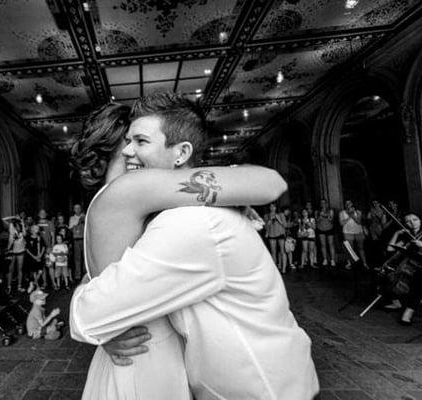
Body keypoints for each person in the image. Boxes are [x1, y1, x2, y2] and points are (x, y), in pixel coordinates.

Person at [70, 96, 317, 399]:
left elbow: (102, 279)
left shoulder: (119, 201)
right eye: (128, 141)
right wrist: (229, 194)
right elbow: (270, 182)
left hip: (146, 345)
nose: (131, 150)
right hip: (147, 348)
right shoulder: (130, 190)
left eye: (140, 140)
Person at [385, 213, 422, 325]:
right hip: (411, 266)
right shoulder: (408, 236)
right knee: (387, 275)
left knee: (419, 279)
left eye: (415, 219)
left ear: (420, 221)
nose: (412, 223)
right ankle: (397, 302)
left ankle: (408, 312)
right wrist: (397, 234)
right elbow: (390, 248)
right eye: (408, 221)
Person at [340, 200, 368, 268]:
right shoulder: (342, 213)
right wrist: (349, 216)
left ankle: (364, 263)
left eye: (349, 203)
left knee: (361, 248)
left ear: (352, 204)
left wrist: (352, 215)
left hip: (358, 232)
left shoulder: (358, 212)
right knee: (349, 249)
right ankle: (350, 263)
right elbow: (341, 223)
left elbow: (358, 222)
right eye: (346, 203)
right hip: (347, 232)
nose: (348, 204)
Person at [264, 203, 287, 273]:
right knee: (273, 252)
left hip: (280, 234)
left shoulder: (281, 215)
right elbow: (265, 227)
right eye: (271, 207)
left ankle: (284, 268)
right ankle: (275, 270)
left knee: (282, 251)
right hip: (271, 234)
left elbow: (285, 225)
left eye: (274, 206)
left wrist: (279, 219)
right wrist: (269, 221)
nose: (272, 208)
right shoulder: (266, 216)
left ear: (276, 208)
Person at [316, 199, 336, 267]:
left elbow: (331, 220)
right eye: (321, 203)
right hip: (321, 229)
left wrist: (325, 215)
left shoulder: (330, 211)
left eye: (324, 203)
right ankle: (325, 259)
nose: (323, 204)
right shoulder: (317, 211)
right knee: (323, 245)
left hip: (329, 229)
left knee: (331, 244)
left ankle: (332, 260)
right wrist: (320, 216)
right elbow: (317, 221)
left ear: (326, 204)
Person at [25, 224, 45, 291]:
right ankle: (37, 286)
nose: (37, 229)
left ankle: (33, 283)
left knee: (40, 271)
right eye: (35, 228)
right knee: (34, 272)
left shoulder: (40, 237)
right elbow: (27, 249)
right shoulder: (28, 238)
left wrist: (40, 255)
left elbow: (43, 247)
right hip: (32, 258)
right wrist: (34, 257)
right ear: (32, 230)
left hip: (39, 257)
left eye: (37, 228)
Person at [69, 204, 85, 280]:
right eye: (76, 208)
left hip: (84, 239)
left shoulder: (85, 216)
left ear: (81, 209)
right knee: (77, 258)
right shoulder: (72, 218)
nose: (77, 209)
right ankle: (78, 275)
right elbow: (71, 228)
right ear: (74, 210)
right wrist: (78, 222)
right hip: (76, 240)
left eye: (78, 208)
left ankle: (86, 274)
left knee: (85, 258)